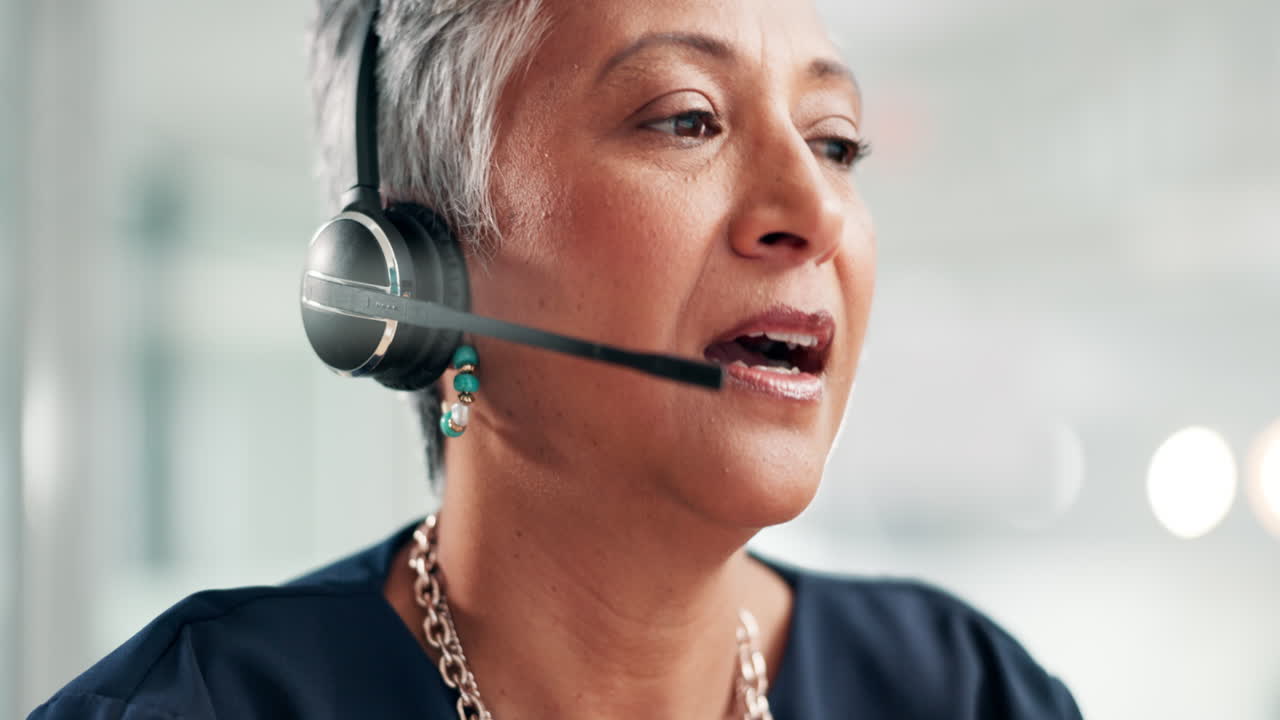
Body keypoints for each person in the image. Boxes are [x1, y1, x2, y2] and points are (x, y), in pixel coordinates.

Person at [30, 0, 1084, 718]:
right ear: (418, 275)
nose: (814, 209)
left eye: (835, 142)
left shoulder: (967, 692)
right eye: (688, 120)